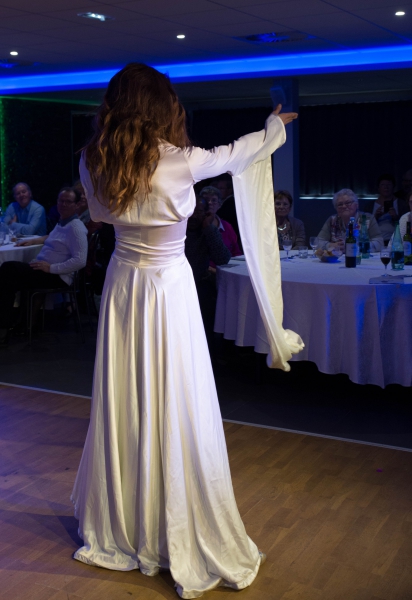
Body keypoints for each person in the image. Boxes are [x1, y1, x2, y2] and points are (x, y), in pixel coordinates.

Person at [71, 63, 298, 599]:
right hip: (167, 288)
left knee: (128, 396)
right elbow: (236, 154)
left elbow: (103, 215)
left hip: (123, 285)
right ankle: (167, 517)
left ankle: (126, 519)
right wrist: (273, 126)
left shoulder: (92, 160)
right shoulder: (179, 160)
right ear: (161, 106)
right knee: (176, 395)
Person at [0, 186, 87, 346]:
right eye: (61, 201)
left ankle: (5, 327)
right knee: (9, 275)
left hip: (56, 276)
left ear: (76, 205)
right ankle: (17, 323)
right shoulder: (63, 223)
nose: (63, 204)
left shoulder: (76, 227)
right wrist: (34, 241)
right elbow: (52, 237)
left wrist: (51, 268)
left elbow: (81, 260)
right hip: (44, 271)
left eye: (68, 202)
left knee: (8, 270)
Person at [185, 196, 231, 344]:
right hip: (180, 284)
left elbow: (223, 258)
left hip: (200, 283)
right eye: (190, 211)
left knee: (207, 298)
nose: (194, 216)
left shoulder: (207, 231)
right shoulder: (177, 231)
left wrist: (209, 228)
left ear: (205, 214)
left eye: (198, 212)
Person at [317, 188, 383, 252]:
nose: (344, 206)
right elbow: (317, 241)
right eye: (340, 204)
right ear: (336, 208)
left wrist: (355, 247)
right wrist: (330, 246)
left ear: (356, 205)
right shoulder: (332, 220)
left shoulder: (367, 218)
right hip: (336, 258)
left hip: (359, 257)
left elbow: (379, 243)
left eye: (348, 203)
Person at [198, 185, 241, 261]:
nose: (210, 203)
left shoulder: (227, 226)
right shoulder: (194, 225)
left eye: (214, 200)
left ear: (219, 205)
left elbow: (236, 253)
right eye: (206, 199)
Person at [214, 173, 241, 248]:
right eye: (218, 188)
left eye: (221, 188)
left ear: (229, 190)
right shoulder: (225, 202)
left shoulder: (231, 204)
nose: (218, 191)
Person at [372, 174, 399, 243]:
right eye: (382, 185)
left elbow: (407, 224)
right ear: (378, 188)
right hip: (375, 240)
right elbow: (363, 225)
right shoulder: (370, 205)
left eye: (389, 185)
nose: (386, 187)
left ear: (393, 187)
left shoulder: (401, 204)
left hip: (395, 240)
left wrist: (396, 217)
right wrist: (375, 217)